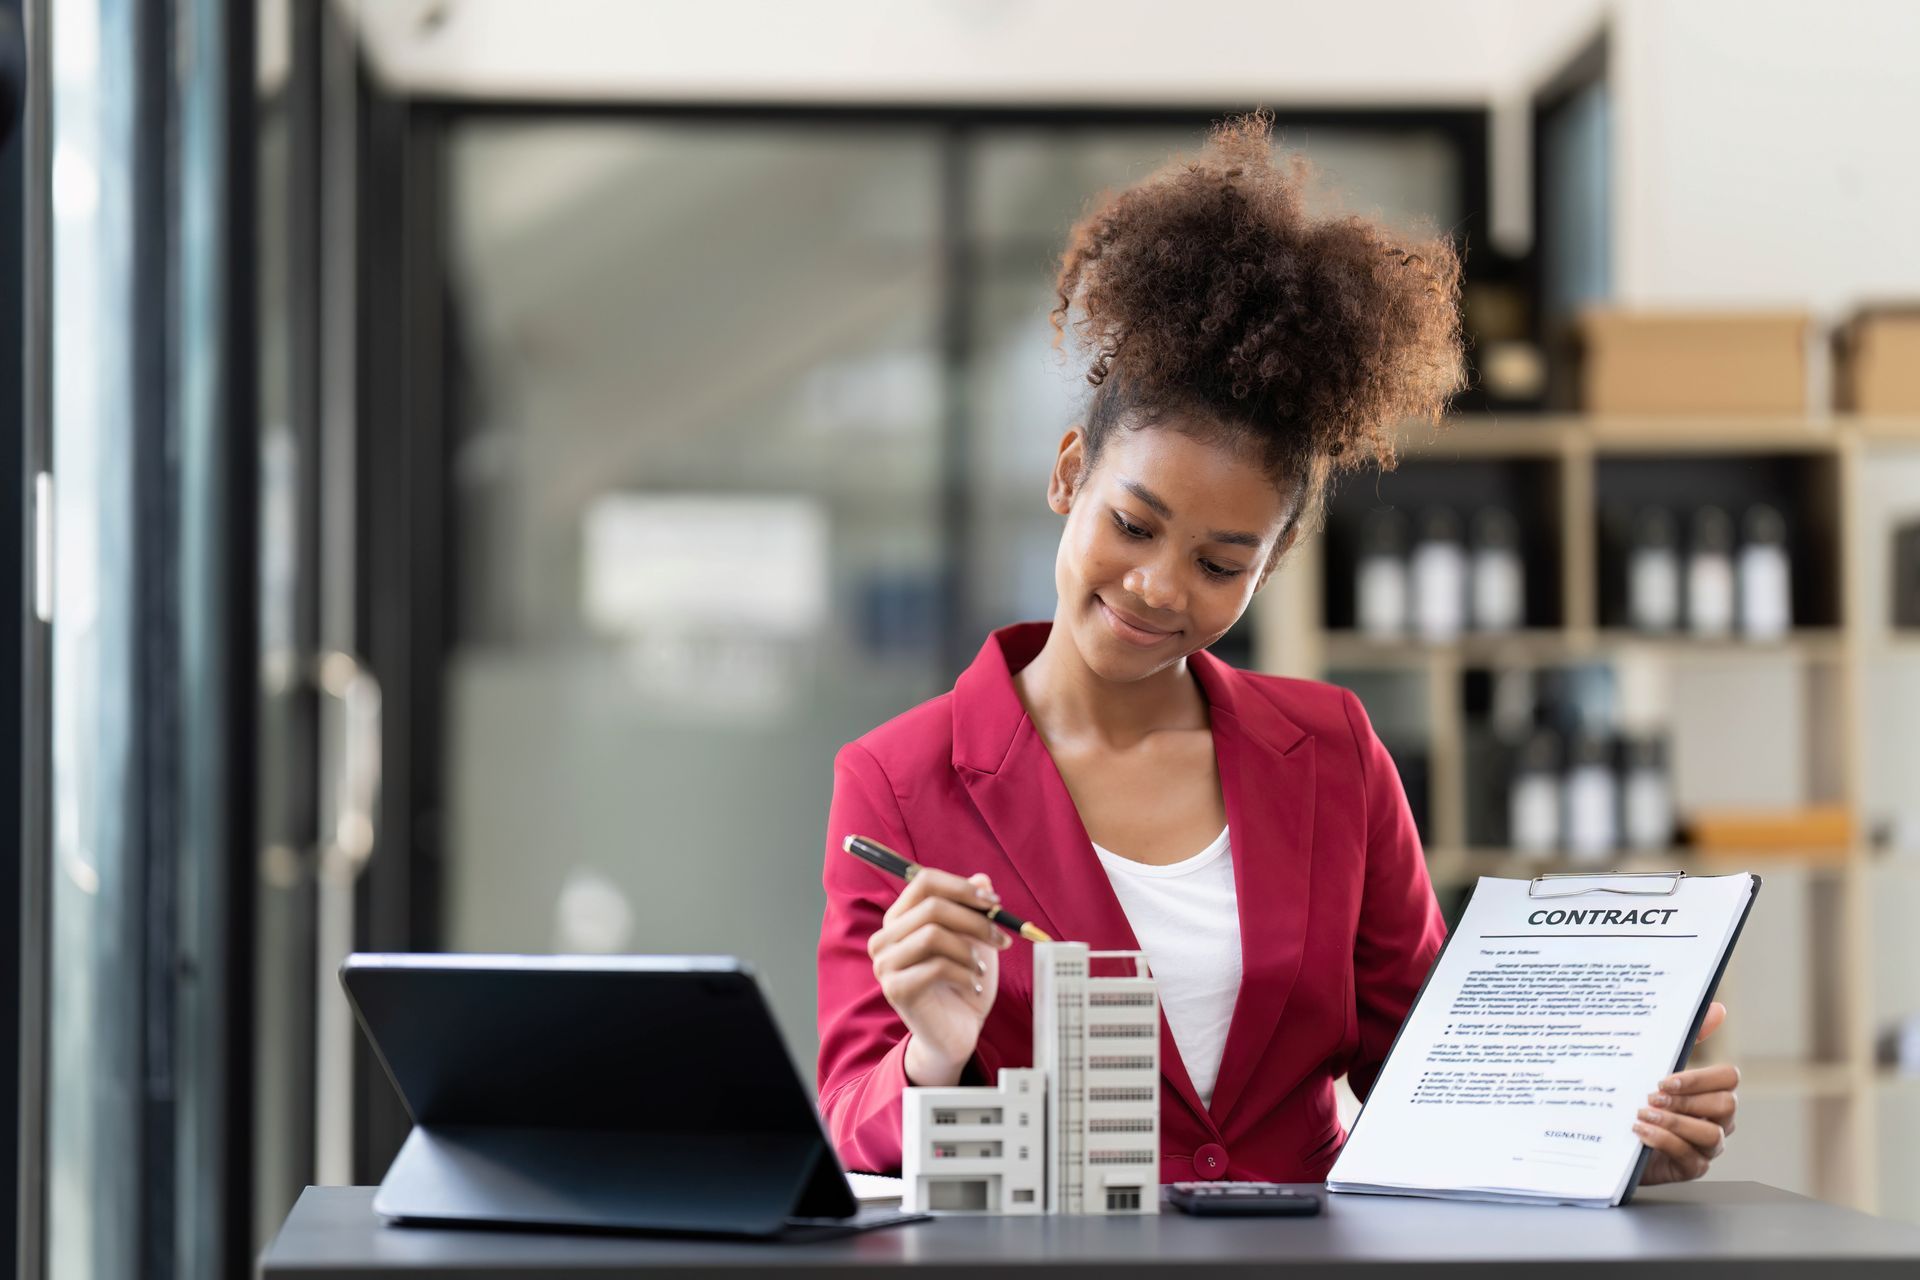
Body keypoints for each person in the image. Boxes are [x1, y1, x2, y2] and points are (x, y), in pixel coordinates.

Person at [815, 112, 1737, 1187]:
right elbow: (850, 1115)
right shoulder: (898, 779)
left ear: (1276, 558)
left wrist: (1617, 1126)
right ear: (1069, 474)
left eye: (1220, 563)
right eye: (1134, 523)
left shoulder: (1331, 750)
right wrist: (933, 1050)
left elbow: (1431, 1070)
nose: (1160, 586)